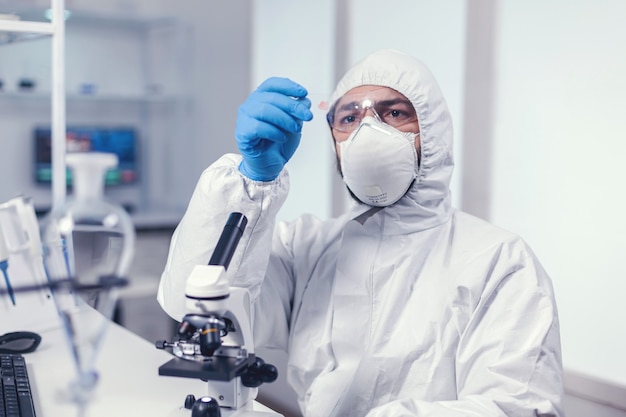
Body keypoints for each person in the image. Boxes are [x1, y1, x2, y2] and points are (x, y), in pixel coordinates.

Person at [157, 49, 564, 417]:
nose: (368, 132)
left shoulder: (498, 261)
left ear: (433, 132)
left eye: (393, 113)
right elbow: (196, 303)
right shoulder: (308, 247)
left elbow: (517, 406)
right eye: (349, 118)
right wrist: (250, 185)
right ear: (335, 142)